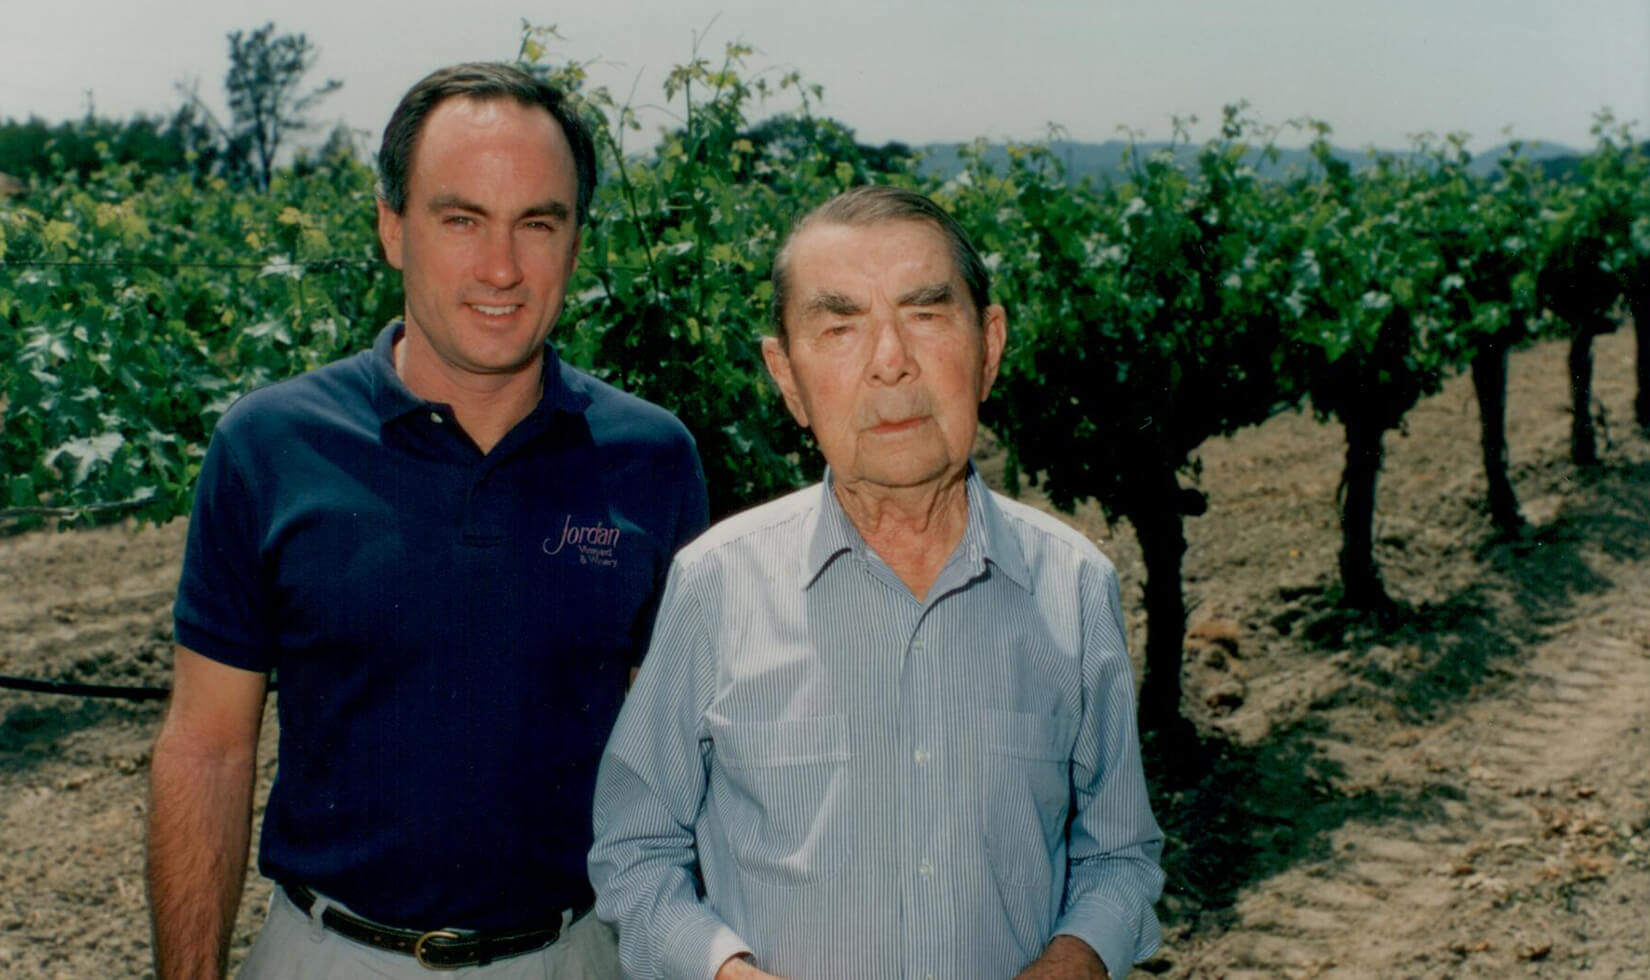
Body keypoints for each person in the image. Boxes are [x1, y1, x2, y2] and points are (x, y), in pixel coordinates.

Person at [147, 62, 708, 979]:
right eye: (461, 220)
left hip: (578, 955)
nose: (501, 267)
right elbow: (207, 747)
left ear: (575, 243)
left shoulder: (652, 460)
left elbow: (682, 762)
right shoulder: (271, 446)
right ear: (392, 230)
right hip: (329, 956)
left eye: (538, 222)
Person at [589, 185, 1163, 980]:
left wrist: (1077, 957)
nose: (890, 361)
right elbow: (634, 851)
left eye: (926, 314)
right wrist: (725, 973)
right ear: (786, 376)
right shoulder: (716, 585)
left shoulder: (1074, 588)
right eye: (840, 327)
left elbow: (1122, 855)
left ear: (989, 345)